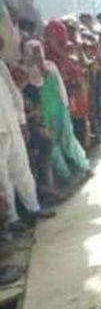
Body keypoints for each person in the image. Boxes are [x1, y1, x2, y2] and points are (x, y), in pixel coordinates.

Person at [23, 40, 90, 183]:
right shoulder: (26, 71)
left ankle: (83, 166)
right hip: (44, 113)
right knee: (53, 144)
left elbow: (60, 86)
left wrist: (66, 104)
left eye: (38, 50)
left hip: (59, 109)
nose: (37, 54)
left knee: (68, 139)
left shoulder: (50, 65)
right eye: (33, 51)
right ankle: (66, 175)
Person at [0, 56, 51, 230]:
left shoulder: (1, 64)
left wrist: (22, 121)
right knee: (3, 178)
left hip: (12, 124)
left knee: (22, 169)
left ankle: (33, 208)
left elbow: (14, 91)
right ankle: (12, 219)